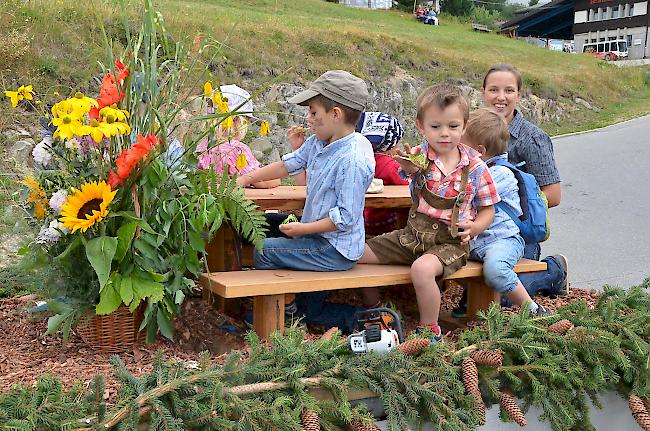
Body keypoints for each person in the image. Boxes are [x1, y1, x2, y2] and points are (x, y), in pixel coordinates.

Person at [358, 83, 500, 342]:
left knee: (422, 270)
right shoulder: (419, 158)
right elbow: (408, 175)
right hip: (411, 236)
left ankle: (429, 329)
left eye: (453, 127)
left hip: (450, 243)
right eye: (435, 127)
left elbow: (489, 209)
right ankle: (376, 309)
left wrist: (476, 227)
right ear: (421, 127)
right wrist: (408, 167)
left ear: (464, 126)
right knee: (355, 252)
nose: (444, 134)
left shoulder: (477, 168)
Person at [237, 70, 375, 332]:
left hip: (333, 249)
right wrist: (246, 179)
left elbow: (345, 218)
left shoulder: (352, 160)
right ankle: (304, 309)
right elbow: (290, 164)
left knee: (263, 250)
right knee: (261, 225)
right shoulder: (321, 141)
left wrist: (303, 229)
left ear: (336, 114)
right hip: (317, 235)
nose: (308, 119)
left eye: (313, 113)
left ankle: (282, 313)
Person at [480, 64, 568, 299]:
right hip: (479, 231)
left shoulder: (533, 138)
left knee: (505, 300)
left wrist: (503, 203)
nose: (501, 97)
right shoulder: (472, 131)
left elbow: (554, 195)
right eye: (494, 90)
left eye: (509, 90)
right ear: (483, 92)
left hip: (517, 232)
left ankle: (554, 270)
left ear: (518, 95)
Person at [462, 108, 550, 316]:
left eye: (460, 145)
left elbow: (465, 196)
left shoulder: (500, 174)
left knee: (495, 271)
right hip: (474, 241)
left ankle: (533, 309)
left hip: (502, 240)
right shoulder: (471, 170)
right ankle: (465, 305)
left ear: (479, 151)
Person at [196, 84, 280, 189]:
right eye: (246, 120)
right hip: (232, 203)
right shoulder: (237, 149)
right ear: (236, 121)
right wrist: (276, 178)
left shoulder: (202, 147)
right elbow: (261, 182)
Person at [356, 112, 409, 237]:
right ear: (389, 143)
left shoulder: (360, 160)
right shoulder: (389, 165)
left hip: (363, 222)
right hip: (385, 225)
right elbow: (408, 185)